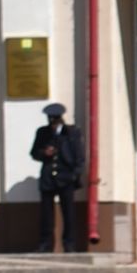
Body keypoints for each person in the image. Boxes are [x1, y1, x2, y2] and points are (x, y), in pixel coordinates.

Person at [29, 102, 86, 253]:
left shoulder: (71, 132)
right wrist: (44, 153)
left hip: (66, 177)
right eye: (50, 121)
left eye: (54, 121)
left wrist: (75, 174)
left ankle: (69, 243)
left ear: (60, 120)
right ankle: (44, 243)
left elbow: (79, 156)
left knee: (68, 213)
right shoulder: (42, 132)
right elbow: (34, 153)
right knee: (46, 214)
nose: (52, 124)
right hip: (48, 177)